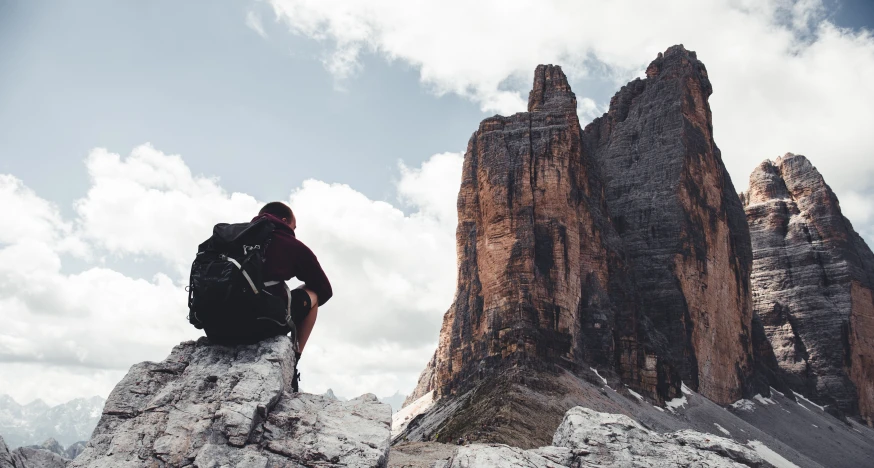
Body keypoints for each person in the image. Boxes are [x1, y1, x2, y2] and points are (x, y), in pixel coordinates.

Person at [255, 201, 332, 355]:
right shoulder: (288, 242)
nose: (293, 231)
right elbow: (324, 290)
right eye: (293, 227)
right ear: (284, 221)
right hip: (258, 326)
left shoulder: (232, 237)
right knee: (312, 293)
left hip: (217, 325)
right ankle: (294, 355)